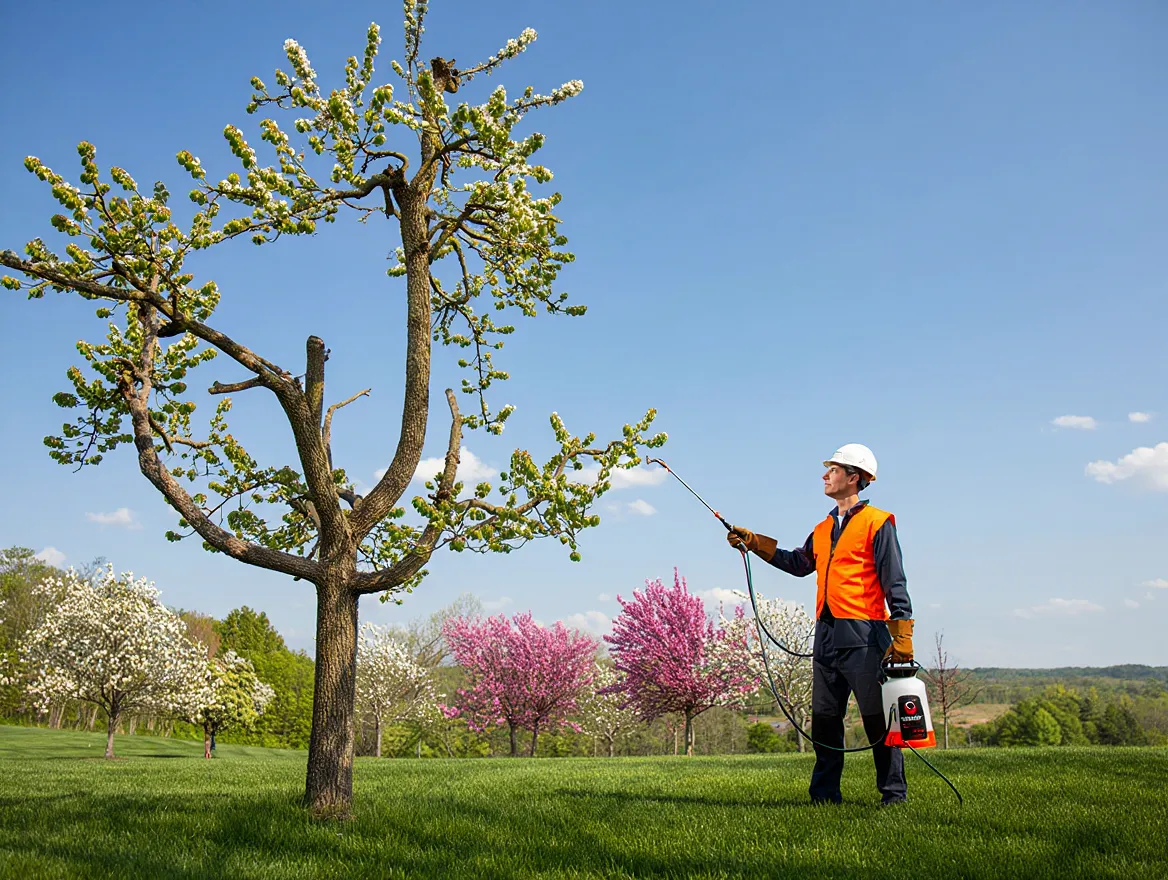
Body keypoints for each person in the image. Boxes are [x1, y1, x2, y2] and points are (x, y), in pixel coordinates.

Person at [727, 444, 914, 806]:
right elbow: (799, 563)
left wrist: (902, 635)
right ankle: (825, 796)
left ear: (854, 477)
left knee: (877, 721)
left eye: (833, 469)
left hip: (865, 634)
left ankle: (893, 795)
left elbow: (895, 581)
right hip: (826, 635)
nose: (825, 475)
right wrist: (753, 543)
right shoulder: (823, 527)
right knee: (825, 720)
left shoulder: (878, 522)